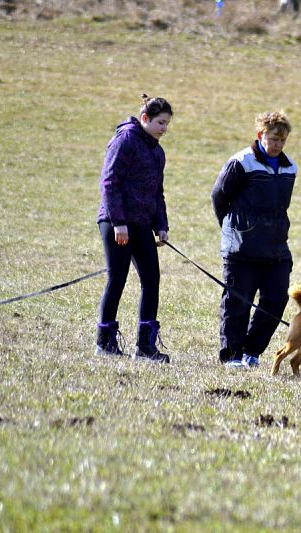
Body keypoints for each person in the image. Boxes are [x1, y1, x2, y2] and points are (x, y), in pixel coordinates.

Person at [211, 111, 296, 368]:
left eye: (282, 140)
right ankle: (232, 355)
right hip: (241, 248)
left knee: (276, 300)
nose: (278, 144)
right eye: (273, 139)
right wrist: (233, 229)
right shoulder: (242, 162)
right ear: (260, 135)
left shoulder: (289, 166)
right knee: (237, 302)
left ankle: (252, 351)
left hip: (276, 248)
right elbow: (219, 197)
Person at [95, 94, 173, 363]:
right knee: (117, 278)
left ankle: (145, 346)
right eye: (160, 123)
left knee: (152, 279)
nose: (164, 128)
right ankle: (104, 342)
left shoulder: (157, 151)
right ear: (145, 119)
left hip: (142, 225)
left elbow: (157, 192)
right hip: (116, 222)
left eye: (167, 124)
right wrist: (118, 223)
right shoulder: (125, 140)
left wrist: (161, 225)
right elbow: (109, 182)